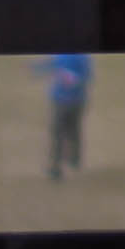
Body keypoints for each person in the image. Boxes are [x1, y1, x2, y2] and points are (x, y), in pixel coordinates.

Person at [41, 50, 90, 178]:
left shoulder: (81, 57)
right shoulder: (61, 54)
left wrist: (69, 78)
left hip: (73, 102)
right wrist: (36, 68)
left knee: (71, 131)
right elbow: (52, 65)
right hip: (62, 101)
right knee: (60, 133)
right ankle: (57, 167)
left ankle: (73, 158)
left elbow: (86, 77)